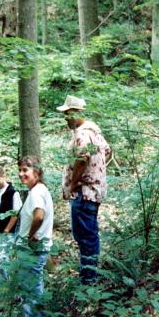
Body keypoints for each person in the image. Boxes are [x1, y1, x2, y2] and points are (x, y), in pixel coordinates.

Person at [58, 95, 111, 285]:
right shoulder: (95, 130)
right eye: (64, 114)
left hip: (84, 193)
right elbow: (107, 151)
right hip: (94, 192)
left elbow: (82, 159)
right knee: (90, 236)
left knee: (85, 238)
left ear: (77, 112)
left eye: (68, 113)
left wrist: (73, 183)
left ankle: (88, 282)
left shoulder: (82, 133)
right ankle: (91, 277)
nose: (66, 118)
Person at [13, 156, 54, 317]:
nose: (21, 174)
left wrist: (30, 236)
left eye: (25, 170)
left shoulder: (37, 192)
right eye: (20, 170)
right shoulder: (39, 190)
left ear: (36, 173)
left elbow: (39, 215)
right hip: (34, 249)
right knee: (34, 291)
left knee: (30, 294)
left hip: (31, 250)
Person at [0, 166, 22, 279]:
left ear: (3, 176)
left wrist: (7, 230)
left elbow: (15, 214)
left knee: (4, 259)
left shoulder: (13, 193)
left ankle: (7, 284)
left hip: (7, 232)